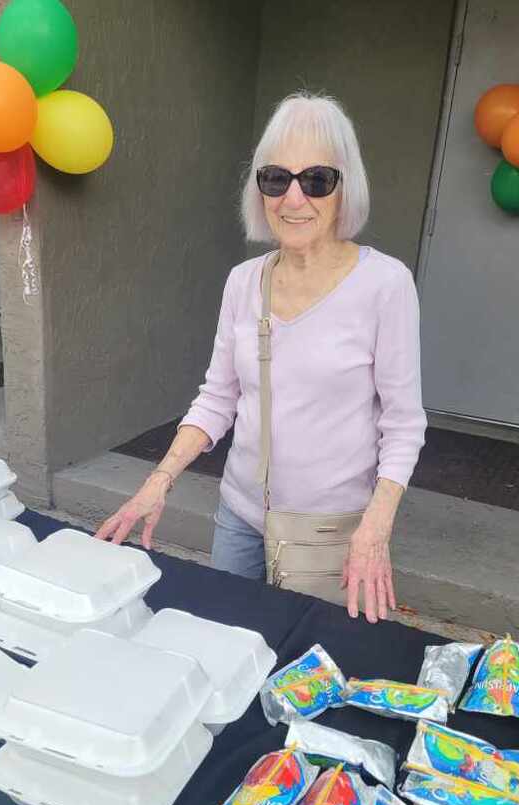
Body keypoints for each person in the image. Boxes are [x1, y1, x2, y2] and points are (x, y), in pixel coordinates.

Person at [98, 93, 426, 624]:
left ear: (346, 188)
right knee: (227, 644)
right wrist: (158, 481)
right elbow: (218, 398)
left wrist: (374, 528)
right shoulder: (244, 282)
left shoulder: (385, 285)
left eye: (317, 179)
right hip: (239, 517)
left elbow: (404, 423)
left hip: (328, 529)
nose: (294, 198)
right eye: (276, 178)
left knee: (306, 670)